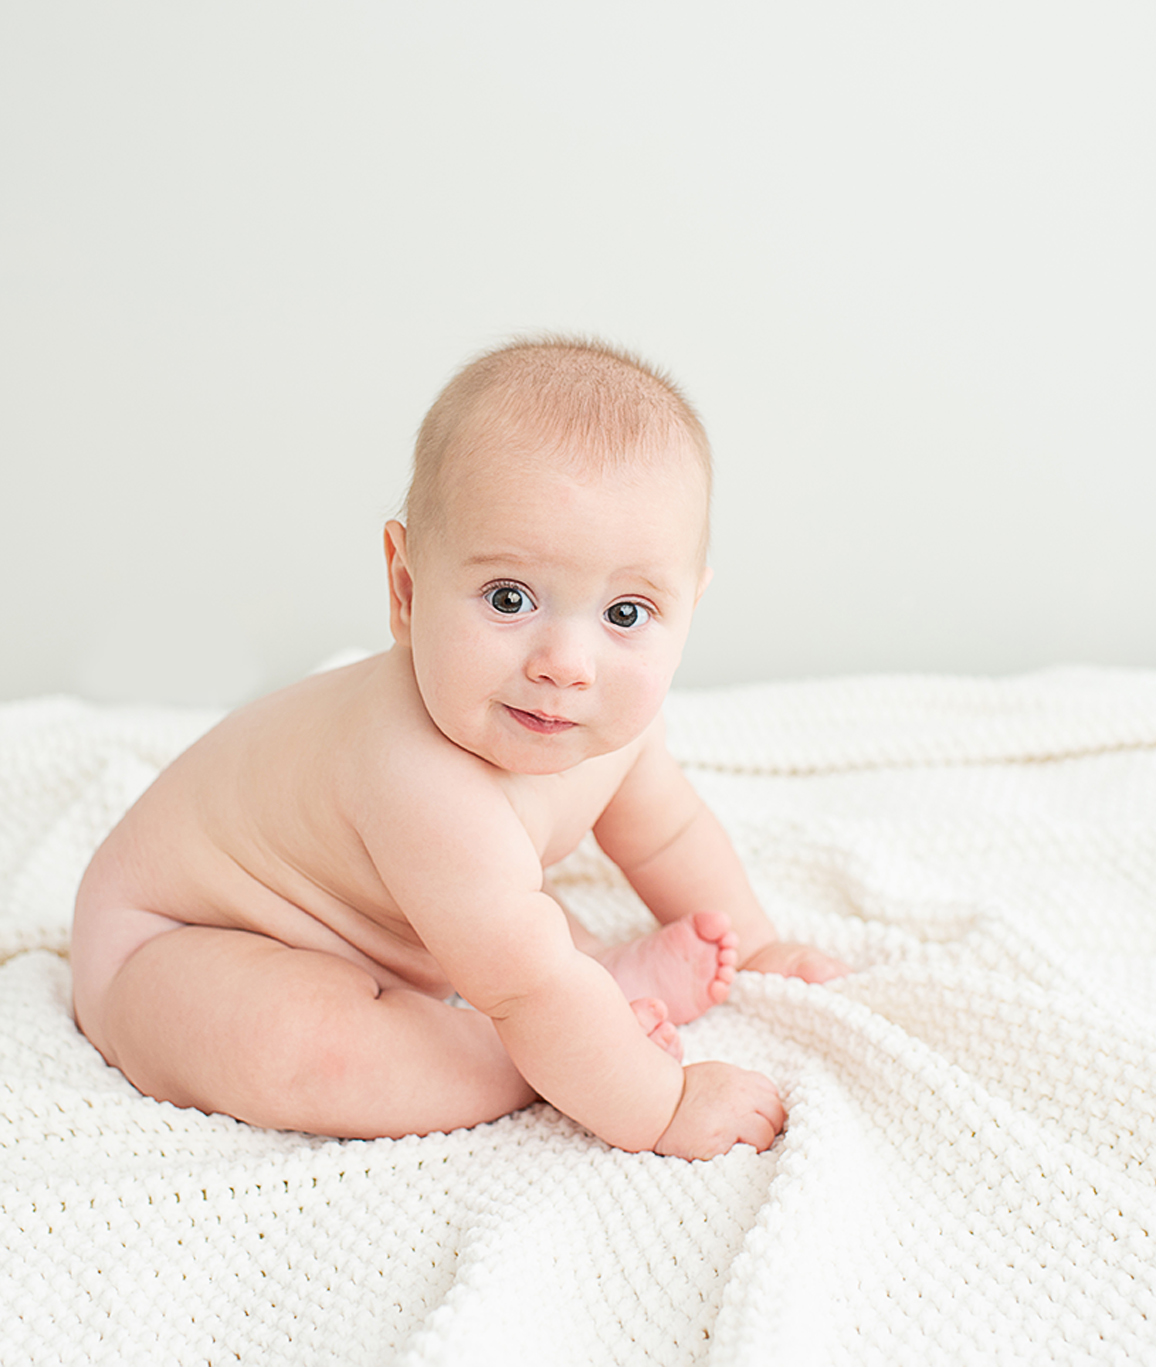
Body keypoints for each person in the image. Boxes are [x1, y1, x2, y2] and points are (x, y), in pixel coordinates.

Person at [70, 336, 847, 1159]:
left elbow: (668, 833)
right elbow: (531, 987)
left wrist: (755, 945)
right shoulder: (419, 776)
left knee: (523, 952)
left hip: (418, 942)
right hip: (176, 942)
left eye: (626, 614)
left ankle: (591, 1005)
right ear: (406, 590)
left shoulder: (608, 725)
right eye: (510, 599)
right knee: (307, 1050)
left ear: (689, 606)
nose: (566, 666)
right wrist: (659, 1103)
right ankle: (556, 1048)